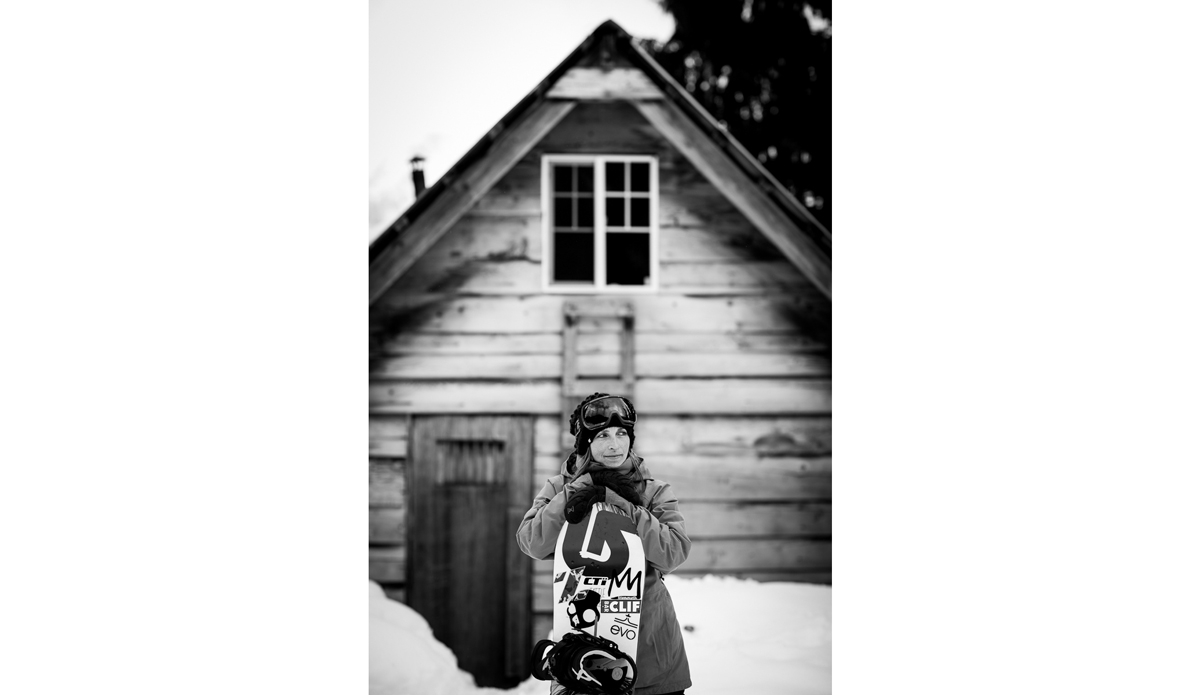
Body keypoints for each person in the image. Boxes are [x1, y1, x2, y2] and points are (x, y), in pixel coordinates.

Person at [516, 393, 692, 695]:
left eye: (622, 433)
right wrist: (578, 490)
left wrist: (626, 507)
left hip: (652, 651)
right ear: (585, 443)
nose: (615, 445)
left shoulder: (655, 491)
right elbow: (532, 541)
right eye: (603, 436)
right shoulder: (559, 487)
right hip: (581, 655)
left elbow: (673, 554)